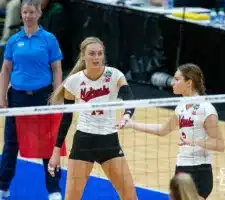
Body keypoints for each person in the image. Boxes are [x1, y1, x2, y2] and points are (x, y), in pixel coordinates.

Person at [48, 37, 138, 200]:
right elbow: (66, 118)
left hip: (109, 142)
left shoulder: (114, 75)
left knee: (130, 197)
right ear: (83, 56)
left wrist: (126, 115)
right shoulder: (74, 81)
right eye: (92, 54)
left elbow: (129, 98)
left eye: (100, 54)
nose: (96, 58)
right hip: (84, 143)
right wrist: (55, 152)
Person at [122, 63, 225, 199]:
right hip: (181, 166)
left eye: (177, 79)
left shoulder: (206, 109)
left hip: (199, 170)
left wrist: (194, 142)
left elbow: (219, 145)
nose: (172, 82)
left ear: (189, 83)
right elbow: (163, 130)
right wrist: (132, 124)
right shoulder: (181, 106)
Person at [0, 0, 63, 199]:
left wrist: (57, 94)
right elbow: (6, 70)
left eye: (31, 12)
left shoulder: (49, 39)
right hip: (17, 98)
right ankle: (3, 187)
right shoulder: (13, 40)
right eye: (25, 12)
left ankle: (53, 189)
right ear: (22, 14)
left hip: (42, 96)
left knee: (48, 142)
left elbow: (56, 68)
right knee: (11, 144)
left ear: (39, 14)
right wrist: (1, 96)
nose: (28, 16)